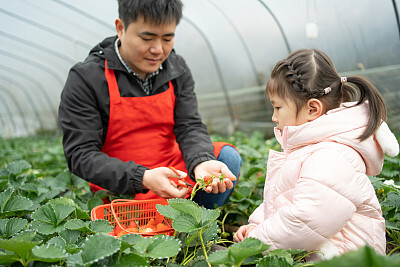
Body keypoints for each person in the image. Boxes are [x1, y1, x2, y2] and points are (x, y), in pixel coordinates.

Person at [58, 0, 241, 209]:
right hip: (121, 184)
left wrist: (201, 161)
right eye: (147, 38)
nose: (158, 50)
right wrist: (142, 177)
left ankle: (189, 225)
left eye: (167, 38)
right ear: (121, 28)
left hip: (171, 171)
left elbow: (189, 125)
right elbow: (81, 154)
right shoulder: (87, 78)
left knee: (226, 159)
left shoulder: (176, 68)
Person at [233, 49, 399, 261]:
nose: (274, 117)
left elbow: (305, 220)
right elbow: (283, 197)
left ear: (312, 109)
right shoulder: (313, 146)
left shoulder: (332, 156)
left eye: (277, 107)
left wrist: (255, 241)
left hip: (345, 261)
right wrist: (256, 225)